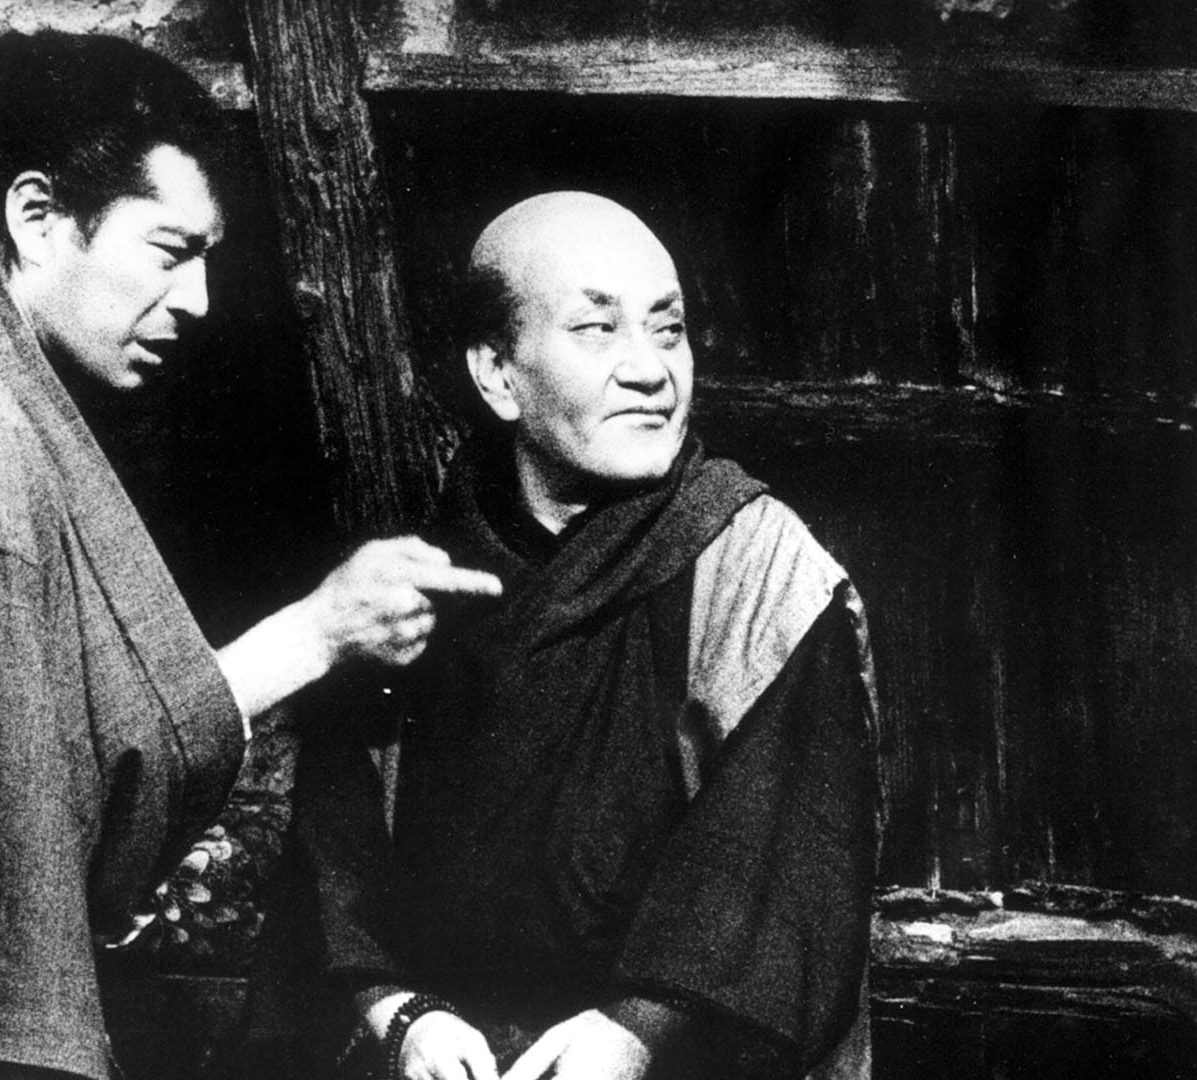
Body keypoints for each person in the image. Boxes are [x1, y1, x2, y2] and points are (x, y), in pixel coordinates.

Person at [0, 30, 499, 1080]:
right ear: (36, 216)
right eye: (170, 251)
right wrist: (317, 635)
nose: (197, 300)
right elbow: (12, 831)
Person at [293, 192, 881, 1080]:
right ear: (498, 373)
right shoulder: (417, 578)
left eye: (669, 330)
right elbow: (335, 850)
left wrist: (633, 1032)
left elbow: (777, 854)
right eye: (597, 330)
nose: (651, 370)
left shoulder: (761, 570)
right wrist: (399, 1014)